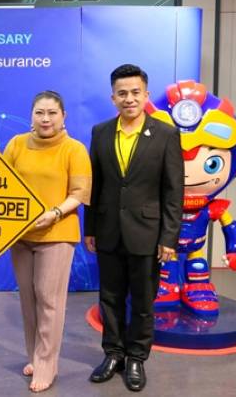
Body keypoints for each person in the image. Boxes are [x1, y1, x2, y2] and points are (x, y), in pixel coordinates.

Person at [84, 64, 183, 392]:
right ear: (113, 97)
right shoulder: (100, 132)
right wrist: (90, 228)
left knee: (142, 301)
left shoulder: (166, 134)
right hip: (108, 230)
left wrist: (169, 237)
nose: (129, 99)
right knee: (109, 297)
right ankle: (113, 354)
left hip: (148, 233)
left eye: (135, 92)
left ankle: (137, 357)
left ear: (146, 95)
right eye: (122, 93)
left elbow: (173, 191)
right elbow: (95, 184)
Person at [3, 91, 92, 392]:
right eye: (39, 112)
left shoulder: (74, 149)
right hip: (20, 236)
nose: (45, 119)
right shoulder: (16, 144)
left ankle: (46, 365)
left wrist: (54, 213)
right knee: (28, 299)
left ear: (63, 116)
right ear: (31, 115)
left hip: (57, 233)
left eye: (52, 113)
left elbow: (79, 193)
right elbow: (0, 181)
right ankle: (35, 356)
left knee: (49, 300)